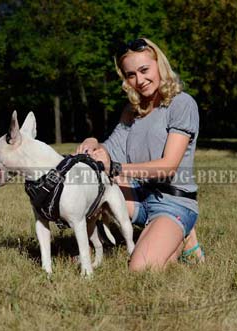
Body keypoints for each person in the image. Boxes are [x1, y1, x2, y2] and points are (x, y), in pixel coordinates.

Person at [76, 38, 204, 271]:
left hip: (173, 202)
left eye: (144, 70)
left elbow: (168, 167)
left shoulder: (182, 104)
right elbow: (111, 148)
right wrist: (94, 143)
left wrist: (116, 168)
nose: (140, 80)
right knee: (93, 187)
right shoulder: (133, 110)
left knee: (140, 268)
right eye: (131, 74)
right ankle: (163, 234)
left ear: (159, 64)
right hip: (139, 197)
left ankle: (181, 235)